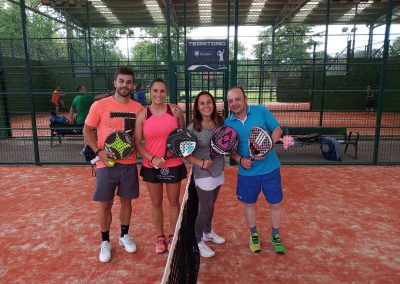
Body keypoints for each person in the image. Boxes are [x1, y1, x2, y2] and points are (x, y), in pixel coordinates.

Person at [83, 67, 144, 263]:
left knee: (126, 202)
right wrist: (98, 152)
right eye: (121, 81)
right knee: (105, 204)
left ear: (132, 85)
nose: (124, 85)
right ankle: (105, 241)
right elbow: (87, 130)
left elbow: (140, 137)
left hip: (129, 164)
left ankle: (124, 235)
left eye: (128, 82)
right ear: (114, 83)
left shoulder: (138, 108)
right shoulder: (99, 105)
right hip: (105, 165)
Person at [224, 86, 286, 255]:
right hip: (247, 172)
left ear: (244, 99)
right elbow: (230, 148)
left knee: (275, 203)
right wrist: (240, 160)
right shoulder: (228, 123)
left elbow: (277, 130)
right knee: (249, 204)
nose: (235, 103)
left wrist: (266, 147)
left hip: (270, 169)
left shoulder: (261, 111)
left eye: (237, 99)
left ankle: (275, 235)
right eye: (231, 101)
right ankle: (254, 235)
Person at [134, 78, 186, 255]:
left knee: (173, 202)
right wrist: (152, 158)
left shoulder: (176, 112)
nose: (159, 94)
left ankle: (173, 235)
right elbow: (137, 142)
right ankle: (160, 237)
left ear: (166, 93)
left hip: (174, 164)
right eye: (155, 91)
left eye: (162, 91)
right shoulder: (143, 114)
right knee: (156, 203)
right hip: (151, 165)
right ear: (150, 92)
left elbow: (182, 135)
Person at [186, 91, 226, 258]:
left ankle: (207, 232)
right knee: (206, 207)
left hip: (218, 170)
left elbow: (225, 142)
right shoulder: (192, 128)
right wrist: (200, 162)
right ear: (197, 107)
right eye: (202, 103)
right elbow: (185, 154)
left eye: (209, 102)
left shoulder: (219, 122)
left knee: (212, 204)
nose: (206, 106)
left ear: (213, 104)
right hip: (203, 173)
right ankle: (197, 241)